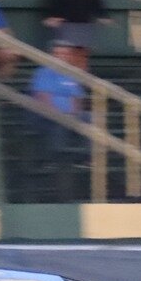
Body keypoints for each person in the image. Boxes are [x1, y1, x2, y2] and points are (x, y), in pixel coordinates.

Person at [30, 43, 90, 197]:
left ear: (69, 56)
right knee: (59, 120)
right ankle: (54, 159)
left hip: (69, 115)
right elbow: (43, 98)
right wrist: (60, 114)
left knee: (90, 117)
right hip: (46, 114)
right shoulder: (44, 73)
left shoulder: (71, 74)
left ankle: (84, 158)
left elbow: (78, 99)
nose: (61, 56)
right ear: (51, 55)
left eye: (64, 53)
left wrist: (74, 114)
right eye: (57, 53)